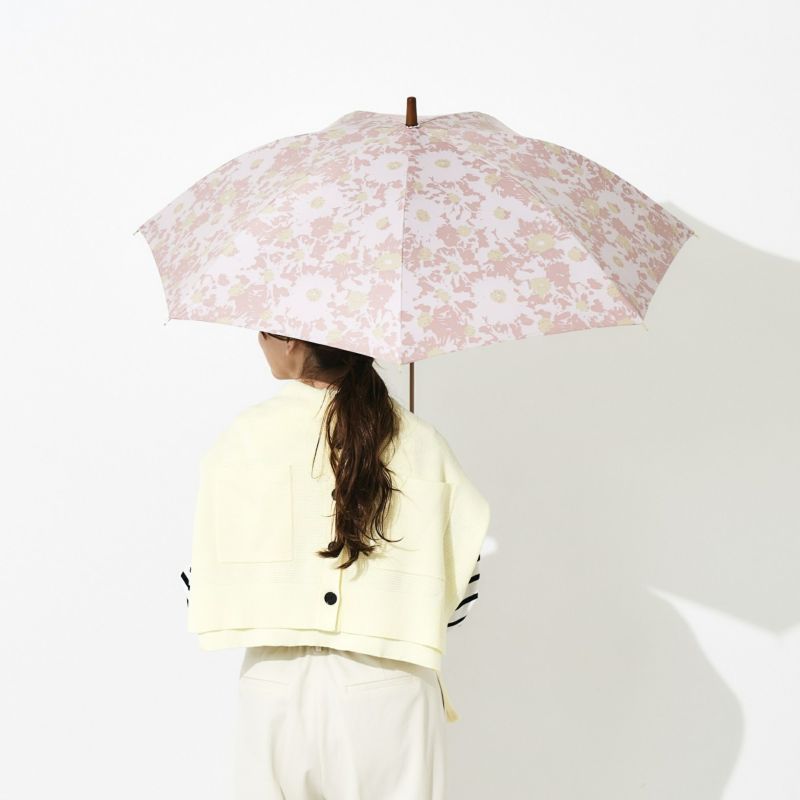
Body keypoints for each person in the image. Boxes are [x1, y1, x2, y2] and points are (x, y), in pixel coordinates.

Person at [184, 330, 491, 799]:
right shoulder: (420, 441)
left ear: (293, 342)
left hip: (275, 684)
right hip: (392, 685)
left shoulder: (245, 437)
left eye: (264, 331)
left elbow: (201, 585)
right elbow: (460, 593)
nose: (260, 341)